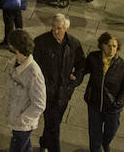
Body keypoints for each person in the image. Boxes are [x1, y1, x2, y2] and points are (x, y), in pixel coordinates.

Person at [33, 13, 85, 152]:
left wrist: (75, 79)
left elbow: (81, 65)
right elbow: (34, 66)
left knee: (53, 123)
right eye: (54, 28)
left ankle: (44, 143)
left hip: (64, 93)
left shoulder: (74, 44)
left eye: (59, 28)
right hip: (46, 92)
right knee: (54, 125)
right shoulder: (41, 42)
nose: (56, 31)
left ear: (66, 28)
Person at [81, 33, 124, 152]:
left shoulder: (123, 66)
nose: (112, 49)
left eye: (114, 46)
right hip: (94, 104)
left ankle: (105, 142)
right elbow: (83, 69)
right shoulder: (93, 58)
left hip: (112, 108)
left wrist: (118, 103)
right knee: (94, 136)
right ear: (102, 45)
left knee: (111, 131)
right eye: (109, 45)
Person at [5, 29, 47, 152]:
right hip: (16, 119)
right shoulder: (15, 62)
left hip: (22, 125)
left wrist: (23, 119)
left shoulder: (34, 73)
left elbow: (40, 104)